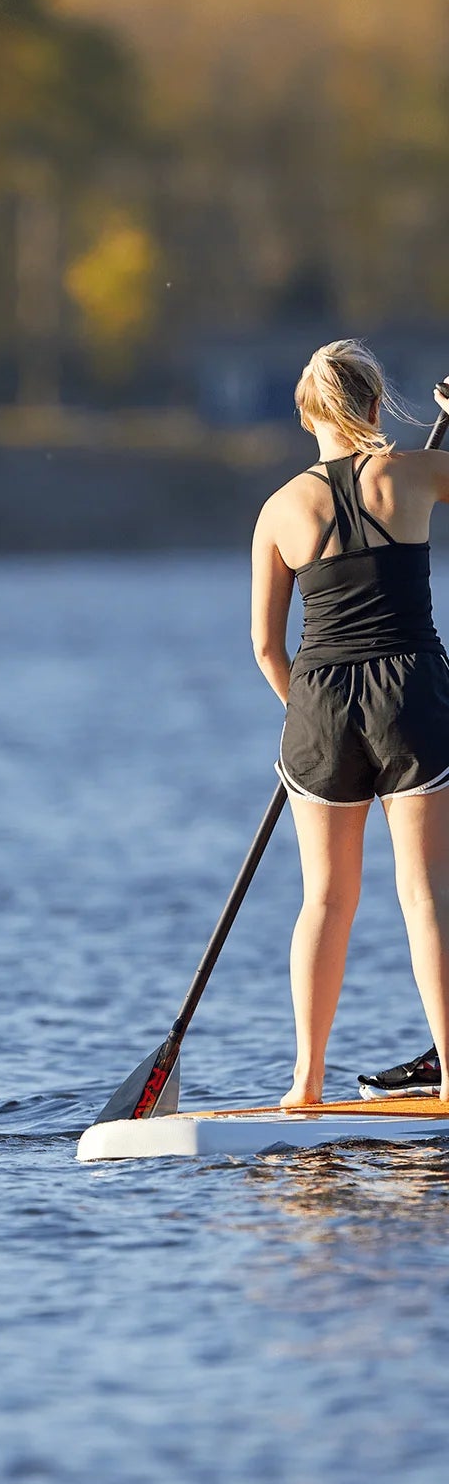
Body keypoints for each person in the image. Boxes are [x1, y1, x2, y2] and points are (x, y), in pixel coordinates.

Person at [251, 341, 449, 1106]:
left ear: (307, 416)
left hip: (319, 701)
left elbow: (268, 647)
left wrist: (308, 717)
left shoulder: (277, 510)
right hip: (411, 691)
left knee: (325, 901)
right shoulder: (413, 474)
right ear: (373, 408)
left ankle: (305, 1082)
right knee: (427, 893)